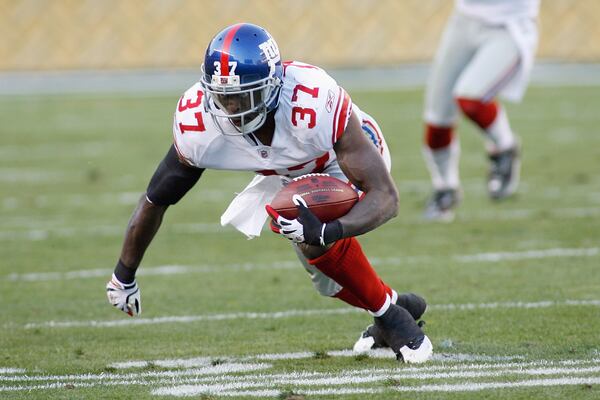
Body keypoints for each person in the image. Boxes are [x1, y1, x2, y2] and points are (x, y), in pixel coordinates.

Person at [105, 23, 432, 363]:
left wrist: (328, 231)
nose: (230, 108)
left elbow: (386, 197)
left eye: (241, 96)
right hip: (286, 175)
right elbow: (156, 199)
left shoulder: (313, 100)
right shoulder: (199, 123)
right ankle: (393, 303)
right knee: (327, 283)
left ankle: (393, 320)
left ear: (273, 87)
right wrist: (123, 274)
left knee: (311, 232)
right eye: (221, 95)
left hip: (339, 160)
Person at [422, 0, 540, 221]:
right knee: (437, 120)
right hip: (465, 20)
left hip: (509, 24)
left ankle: (505, 147)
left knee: (471, 98)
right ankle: (446, 188)